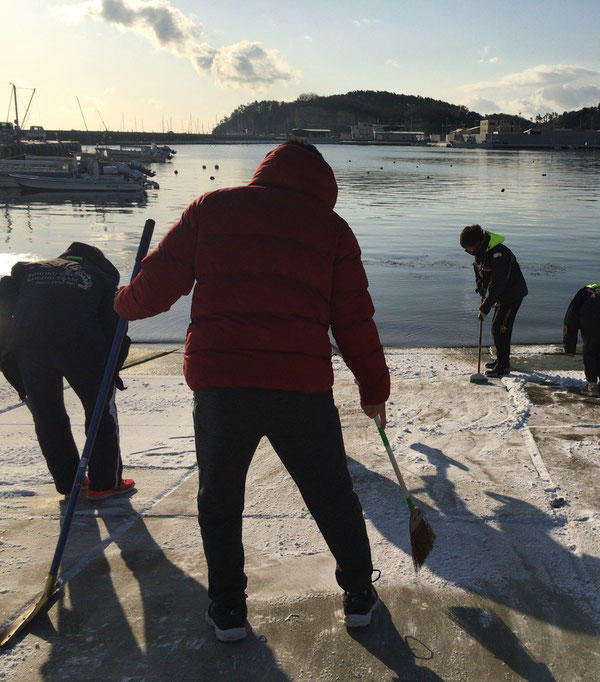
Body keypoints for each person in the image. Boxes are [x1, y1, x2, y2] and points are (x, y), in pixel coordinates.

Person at [114, 139, 390, 642]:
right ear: (323, 182)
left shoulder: (212, 207)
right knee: (331, 495)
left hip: (222, 386)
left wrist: (122, 304)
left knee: (219, 500)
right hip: (300, 388)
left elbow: (158, 282)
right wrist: (373, 387)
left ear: (266, 168)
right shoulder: (332, 229)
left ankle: (228, 610)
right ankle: (357, 595)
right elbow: (355, 319)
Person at [0, 243, 133, 500]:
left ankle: (69, 483)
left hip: (29, 343)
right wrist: (112, 371)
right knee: (99, 410)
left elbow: (3, 297)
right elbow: (116, 326)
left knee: (47, 415)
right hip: (80, 343)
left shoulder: (26, 270)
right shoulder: (100, 279)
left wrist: (9, 354)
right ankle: (105, 483)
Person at [460, 224, 528, 377]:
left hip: (512, 294)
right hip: (500, 295)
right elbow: (478, 271)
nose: (469, 251)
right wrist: (480, 286)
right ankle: (500, 361)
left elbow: (498, 284)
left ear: (477, 242)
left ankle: (504, 366)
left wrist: (485, 307)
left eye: (470, 247)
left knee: (500, 327)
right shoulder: (479, 252)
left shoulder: (499, 254)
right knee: (496, 327)